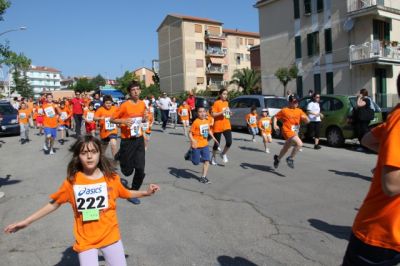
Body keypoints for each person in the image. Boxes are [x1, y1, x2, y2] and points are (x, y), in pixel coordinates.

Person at [4, 135, 160, 266]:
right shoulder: (72, 182)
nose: (89, 156)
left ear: (100, 154)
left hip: (110, 235)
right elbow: (54, 204)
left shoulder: (111, 178)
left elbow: (125, 193)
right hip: (85, 241)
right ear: (78, 156)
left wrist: (145, 193)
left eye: (93, 151)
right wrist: (26, 221)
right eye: (84, 152)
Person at [342, 74, 400, 265]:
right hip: (382, 238)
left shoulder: (394, 119)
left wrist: (385, 155)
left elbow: (368, 140)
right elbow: (391, 184)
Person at [111, 81, 148, 205]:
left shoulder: (143, 104)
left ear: (140, 91)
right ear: (129, 92)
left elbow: (143, 119)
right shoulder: (124, 105)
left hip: (139, 139)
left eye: (138, 89)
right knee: (127, 171)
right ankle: (121, 155)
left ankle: (133, 192)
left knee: (140, 168)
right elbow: (112, 119)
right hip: (127, 141)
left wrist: (145, 118)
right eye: (133, 90)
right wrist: (123, 121)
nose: (136, 91)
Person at [273, 95, 309, 169]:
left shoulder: (299, 110)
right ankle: (290, 158)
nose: (296, 103)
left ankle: (278, 158)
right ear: (289, 102)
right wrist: (274, 125)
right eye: (294, 102)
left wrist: (306, 119)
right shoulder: (284, 110)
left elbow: (307, 120)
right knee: (299, 144)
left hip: (295, 132)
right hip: (287, 131)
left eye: (297, 102)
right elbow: (275, 117)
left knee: (286, 148)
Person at [189, 106, 218, 184]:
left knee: (207, 161)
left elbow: (208, 131)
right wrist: (192, 140)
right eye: (200, 112)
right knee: (196, 162)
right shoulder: (196, 122)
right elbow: (190, 133)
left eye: (203, 111)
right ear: (197, 113)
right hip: (196, 145)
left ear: (206, 112)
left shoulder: (206, 121)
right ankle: (191, 154)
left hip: (205, 144)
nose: (202, 113)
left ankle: (203, 177)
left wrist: (214, 138)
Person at [211, 88, 232, 165]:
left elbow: (227, 115)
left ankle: (223, 154)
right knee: (217, 144)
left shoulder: (227, 103)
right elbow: (213, 114)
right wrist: (222, 112)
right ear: (220, 95)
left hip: (226, 125)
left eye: (226, 94)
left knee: (229, 142)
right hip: (218, 126)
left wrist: (229, 114)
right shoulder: (216, 103)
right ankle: (213, 157)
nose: (225, 95)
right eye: (223, 94)